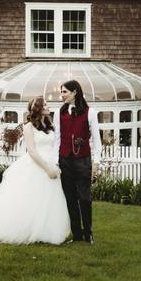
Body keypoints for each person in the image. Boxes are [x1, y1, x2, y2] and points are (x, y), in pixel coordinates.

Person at [0, 97, 70, 245]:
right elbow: (32, 151)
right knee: (33, 199)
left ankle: (46, 231)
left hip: (52, 164)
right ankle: (28, 230)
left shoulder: (50, 124)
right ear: (38, 108)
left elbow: (55, 146)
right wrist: (47, 169)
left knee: (49, 200)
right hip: (37, 165)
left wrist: (55, 165)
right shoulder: (28, 127)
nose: (48, 106)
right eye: (45, 104)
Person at [53, 80, 101, 243]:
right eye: (62, 92)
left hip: (83, 161)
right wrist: (56, 160)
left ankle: (88, 233)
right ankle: (77, 235)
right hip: (65, 160)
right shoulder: (59, 113)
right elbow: (57, 138)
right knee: (70, 199)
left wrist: (96, 162)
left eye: (65, 92)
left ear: (75, 92)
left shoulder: (90, 112)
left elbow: (96, 139)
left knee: (85, 198)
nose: (62, 95)